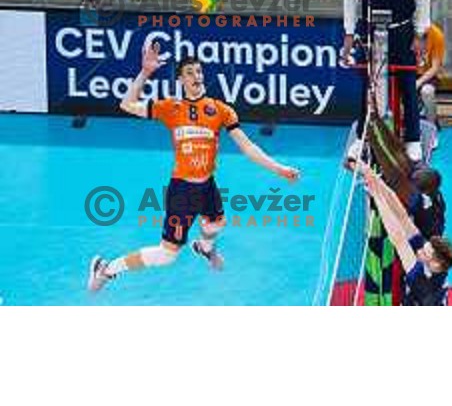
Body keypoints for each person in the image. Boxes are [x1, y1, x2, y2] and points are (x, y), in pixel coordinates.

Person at [88, 43, 300, 292]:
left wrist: (279, 169)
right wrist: (145, 72)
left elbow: (247, 146)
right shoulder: (170, 108)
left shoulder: (220, 110)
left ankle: (204, 248)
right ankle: (106, 269)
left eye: (199, 71)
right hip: (182, 191)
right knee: (167, 256)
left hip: (207, 185)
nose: (196, 76)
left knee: (216, 224)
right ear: (180, 79)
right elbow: (126, 105)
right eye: (190, 72)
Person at [343, 0, 431, 163]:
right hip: (370, 31)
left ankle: (412, 138)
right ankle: (362, 138)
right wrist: (349, 33)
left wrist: (419, 33)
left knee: (406, 84)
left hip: (401, 31)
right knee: (367, 87)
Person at [359, 163, 452, 306]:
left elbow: (398, 239)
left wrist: (377, 197)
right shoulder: (437, 265)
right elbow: (403, 218)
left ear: (435, 264)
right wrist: (376, 181)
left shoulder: (421, 281)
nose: (420, 250)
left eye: (425, 252)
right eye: (425, 247)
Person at [416, 22, 445, 129]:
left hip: (429, 75)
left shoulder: (437, 35)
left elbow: (435, 67)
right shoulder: (405, 32)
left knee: (427, 91)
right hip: (409, 73)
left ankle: (431, 127)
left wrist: (418, 82)